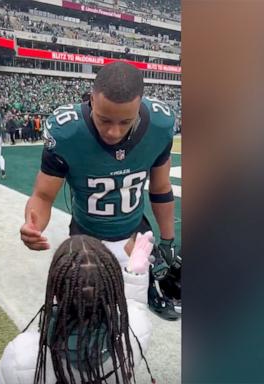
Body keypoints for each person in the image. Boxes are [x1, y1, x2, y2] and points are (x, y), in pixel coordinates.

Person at [19, 62, 181, 319]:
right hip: (86, 234)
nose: (113, 131)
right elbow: (43, 195)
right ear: (92, 99)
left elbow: (160, 188)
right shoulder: (68, 131)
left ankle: (151, 288)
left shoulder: (159, 126)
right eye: (104, 119)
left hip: (133, 229)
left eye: (125, 122)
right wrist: (33, 225)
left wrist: (168, 240)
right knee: (82, 313)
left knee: (132, 310)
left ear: (139, 105)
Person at [0, 234, 155, 384]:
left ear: (56, 290)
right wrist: (136, 274)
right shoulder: (134, 335)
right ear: (111, 288)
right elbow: (135, 307)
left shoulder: (20, 354)